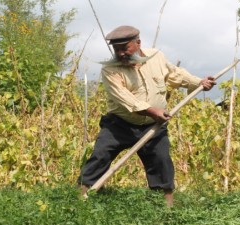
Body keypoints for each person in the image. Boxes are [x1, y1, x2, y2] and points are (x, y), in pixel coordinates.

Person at [77, 25, 216, 206]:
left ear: (138, 43)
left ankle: (166, 207)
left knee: (161, 161)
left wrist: (199, 82)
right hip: (119, 124)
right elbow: (125, 98)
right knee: (101, 155)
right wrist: (153, 110)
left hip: (153, 125)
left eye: (124, 48)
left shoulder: (156, 56)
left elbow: (174, 75)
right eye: (116, 49)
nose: (120, 54)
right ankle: (81, 199)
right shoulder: (110, 70)